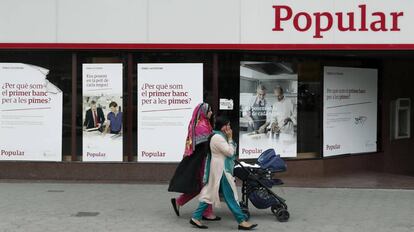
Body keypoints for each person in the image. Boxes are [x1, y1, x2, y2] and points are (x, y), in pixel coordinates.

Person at [190, 116, 258, 230]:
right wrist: (230, 138)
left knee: (210, 193)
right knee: (230, 195)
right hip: (221, 170)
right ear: (222, 126)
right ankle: (241, 221)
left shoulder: (218, 136)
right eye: (228, 125)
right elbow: (230, 152)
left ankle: (196, 217)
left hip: (218, 168)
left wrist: (229, 138)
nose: (229, 128)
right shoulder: (218, 138)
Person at [168, 103, 219, 221]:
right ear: (203, 112)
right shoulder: (201, 125)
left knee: (202, 186)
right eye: (209, 111)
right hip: (201, 161)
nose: (211, 113)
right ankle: (207, 213)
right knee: (206, 185)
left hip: (201, 160)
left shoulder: (204, 123)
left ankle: (180, 201)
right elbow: (207, 143)